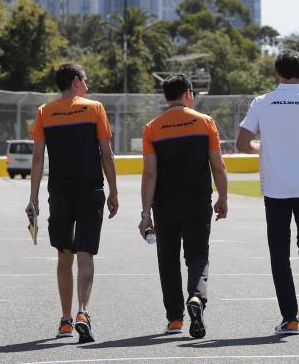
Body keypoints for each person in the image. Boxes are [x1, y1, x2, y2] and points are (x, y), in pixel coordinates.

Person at [236, 50, 299, 335]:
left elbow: (243, 143)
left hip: (276, 187)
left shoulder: (262, 102)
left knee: (279, 252)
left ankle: (288, 317)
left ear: (276, 74)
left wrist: (264, 148)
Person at [26, 63, 119, 343]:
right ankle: (83, 313)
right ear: (76, 81)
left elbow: (38, 159)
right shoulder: (94, 108)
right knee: (85, 254)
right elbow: (107, 154)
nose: (87, 87)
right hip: (91, 190)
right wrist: (114, 191)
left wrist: (33, 198)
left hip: (60, 193)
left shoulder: (45, 112)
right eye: (86, 81)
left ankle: (66, 321)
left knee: (64, 255)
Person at [139, 74, 230, 338]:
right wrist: (222, 198)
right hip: (198, 201)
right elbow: (218, 166)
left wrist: (146, 214)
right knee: (198, 255)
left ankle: (175, 319)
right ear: (188, 94)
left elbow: (149, 174)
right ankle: (196, 299)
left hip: (164, 205)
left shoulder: (152, 127)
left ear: (166, 96)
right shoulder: (205, 122)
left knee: (168, 261)